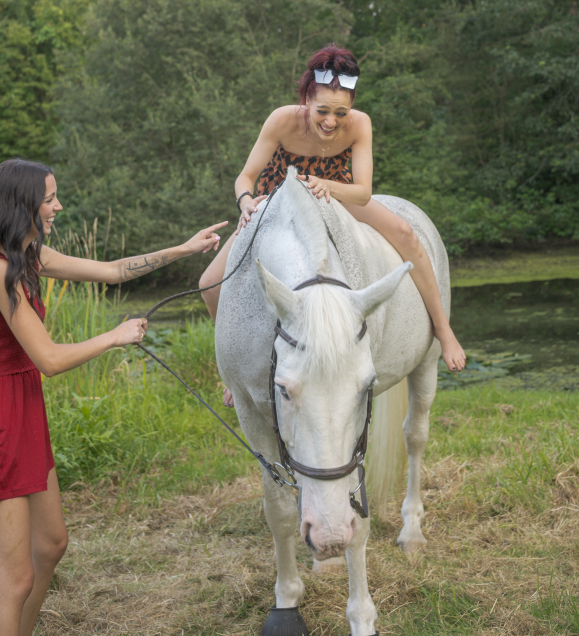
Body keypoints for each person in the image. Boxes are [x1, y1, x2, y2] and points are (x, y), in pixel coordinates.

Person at [0, 157, 227, 636]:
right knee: (15, 577)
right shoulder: (3, 271)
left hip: (24, 403)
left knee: (51, 545)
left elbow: (114, 270)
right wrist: (114, 336)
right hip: (3, 413)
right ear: (23, 205)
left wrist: (185, 249)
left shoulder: (29, 254)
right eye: (49, 199)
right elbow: (50, 359)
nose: (58, 206)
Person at [200, 44, 466, 408]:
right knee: (209, 283)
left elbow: (363, 191)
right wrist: (246, 202)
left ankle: (444, 331)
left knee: (406, 233)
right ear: (307, 100)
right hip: (279, 202)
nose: (331, 121)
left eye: (341, 112)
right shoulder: (281, 120)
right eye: (322, 111)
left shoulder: (360, 124)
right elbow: (245, 177)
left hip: (336, 194)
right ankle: (232, 371)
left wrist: (327, 185)